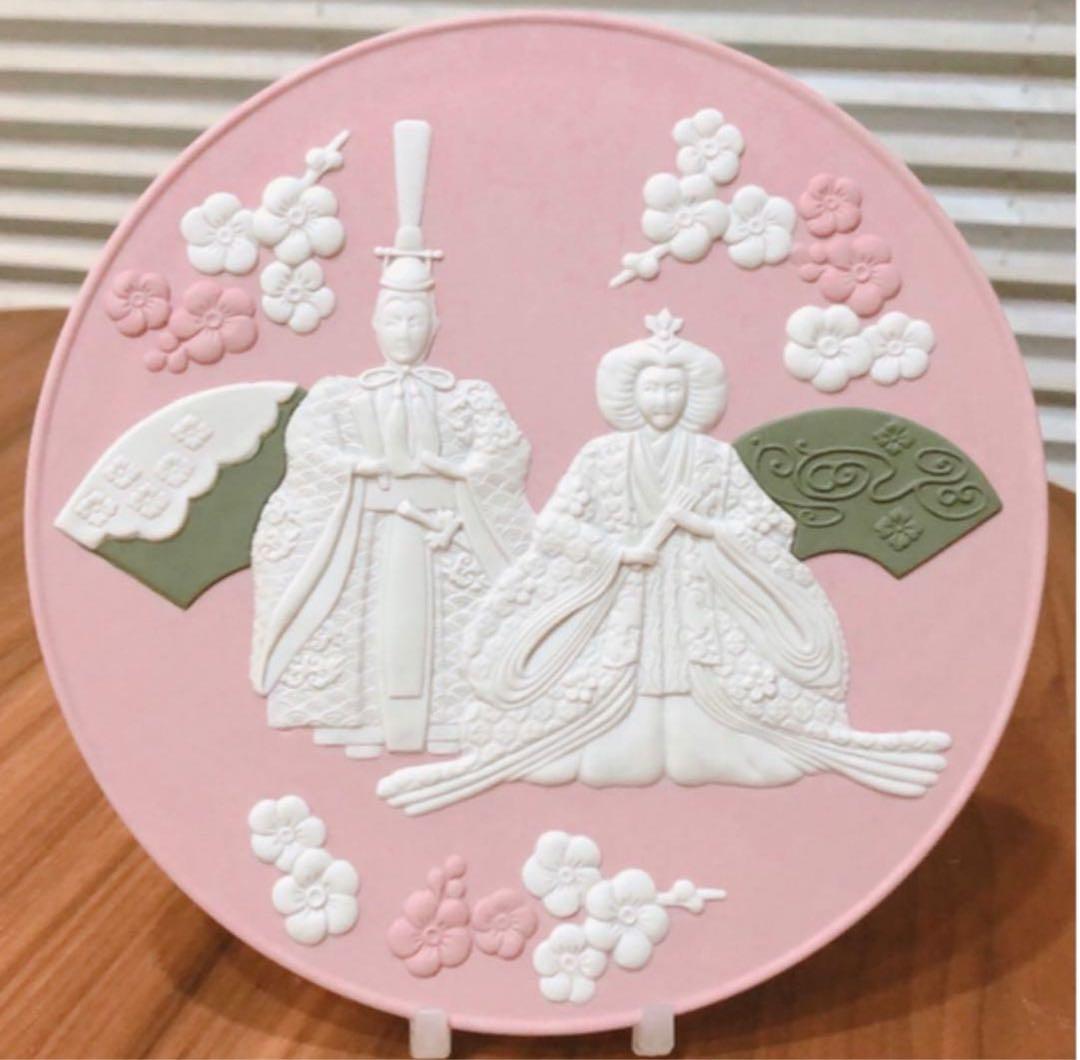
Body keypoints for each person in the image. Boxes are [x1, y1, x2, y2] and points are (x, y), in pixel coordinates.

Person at [378, 309, 950, 814]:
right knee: (589, 699)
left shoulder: (714, 458)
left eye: (673, 390)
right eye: (652, 389)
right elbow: (556, 526)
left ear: (691, 396)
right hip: (619, 592)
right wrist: (616, 551)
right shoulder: (602, 456)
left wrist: (708, 528)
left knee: (727, 698)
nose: (662, 401)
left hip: (698, 592)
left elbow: (770, 524)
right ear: (631, 394)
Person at [250, 120, 533, 758]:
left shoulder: (466, 396)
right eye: (394, 318)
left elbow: (505, 451)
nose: (405, 331)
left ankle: (452, 725)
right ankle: (357, 723)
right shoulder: (340, 396)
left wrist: (461, 471)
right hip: (366, 532)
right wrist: (353, 465)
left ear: (435, 323)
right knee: (362, 628)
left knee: (454, 631)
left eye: (415, 319)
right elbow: (309, 450)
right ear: (376, 323)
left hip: (447, 533)